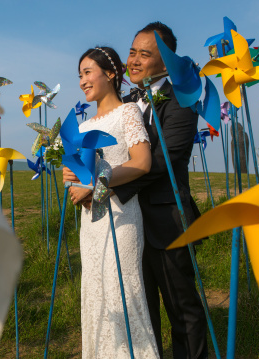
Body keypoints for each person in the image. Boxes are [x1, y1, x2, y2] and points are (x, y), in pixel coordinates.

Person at [109, 22, 209, 359]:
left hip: (166, 219)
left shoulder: (181, 102)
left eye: (145, 54)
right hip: (130, 221)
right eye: (132, 52)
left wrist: (107, 185)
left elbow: (164, 160)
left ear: (166, 63)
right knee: (141, 305)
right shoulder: (124, 103)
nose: (134, 60)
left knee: (181, 307)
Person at [68, 46, 160, 359]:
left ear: (110, 74)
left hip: (121, 221)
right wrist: (75, 180)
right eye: (79, 75)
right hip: (91, 226)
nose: (82, 80)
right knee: (97, 298)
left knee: (123, 296)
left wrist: (95, 184)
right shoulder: (80, 128)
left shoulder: (128, 112)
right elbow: (81, 178)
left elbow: (142, 163)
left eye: (88, 72)